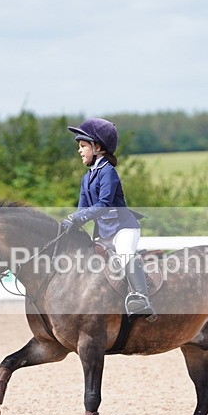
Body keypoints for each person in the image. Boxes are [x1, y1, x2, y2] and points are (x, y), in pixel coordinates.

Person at [62, 118, 156, 322]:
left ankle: (142, 298)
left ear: (97, 147)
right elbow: (83, 210)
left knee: (124, 254)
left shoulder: (108, 173)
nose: (79, 151)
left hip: (124, 229)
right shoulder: (87, 178)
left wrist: (76, 218)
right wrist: (71, 225)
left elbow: (104, 204)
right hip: (104, 232)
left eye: (83, 146)